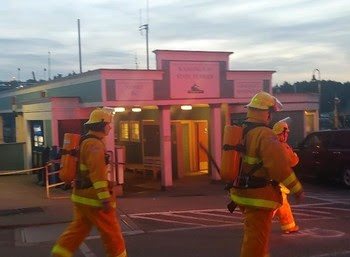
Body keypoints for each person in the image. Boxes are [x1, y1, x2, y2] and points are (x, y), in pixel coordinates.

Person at [229, 92, 304, 257]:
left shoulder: (242, 129)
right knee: (256, 243)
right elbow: (278, 167)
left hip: (241, 191)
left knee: (253, 236)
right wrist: (296, 188)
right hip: (258, 195)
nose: (271, 116)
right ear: (266, 112)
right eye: (271, 112)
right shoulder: (264, 134)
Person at [51, 107, 127, 257]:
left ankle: (59, 254)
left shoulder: (84, 141)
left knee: (77, 231)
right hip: (94, 199)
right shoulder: (95, 145)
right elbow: (97, 174)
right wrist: (104, 198)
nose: (110, 127)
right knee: (111, 233)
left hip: (80, 196)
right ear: (101, 125)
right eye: (108, 124)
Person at [273, 118, 300, 234]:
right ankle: (258, 225)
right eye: (286, 133)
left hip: (274, 180)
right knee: (274, 206)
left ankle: (289, 226)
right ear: (282, 133)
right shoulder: (283, 146)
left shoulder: (270, 144)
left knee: (283, 204)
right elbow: (293, 161)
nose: (287, 135)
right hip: (279, 181)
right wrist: (294, 155)